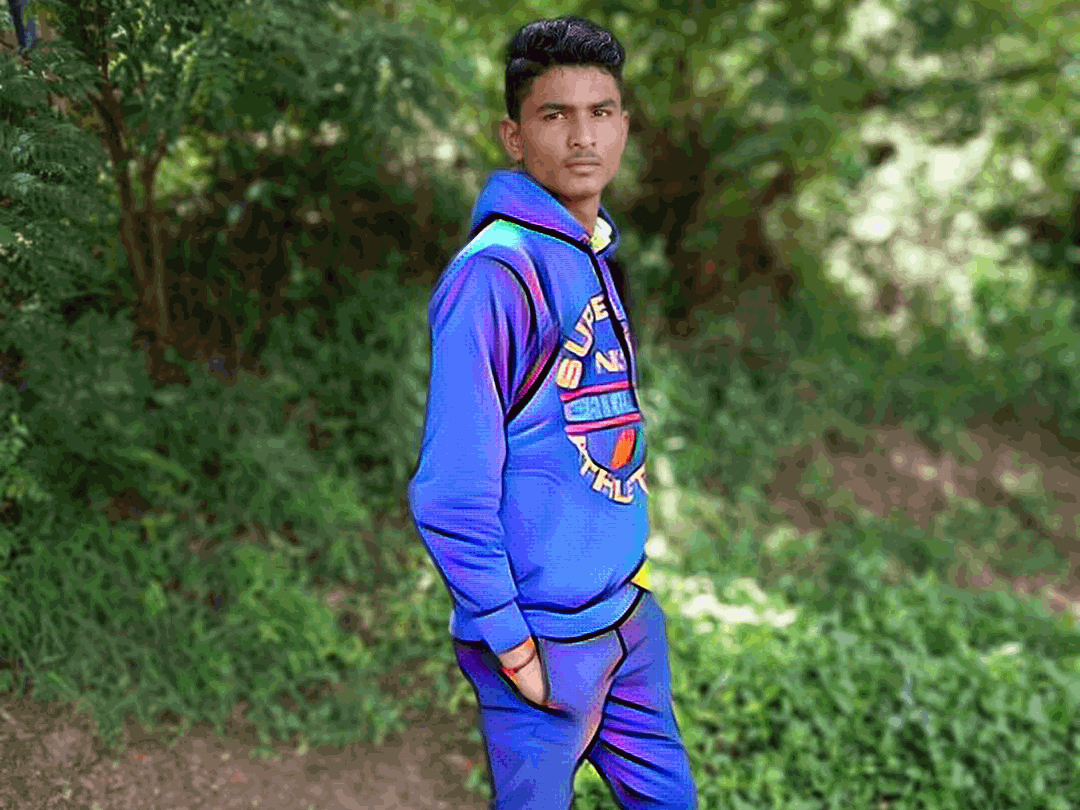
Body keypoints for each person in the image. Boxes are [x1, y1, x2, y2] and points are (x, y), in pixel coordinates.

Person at [407, 15, 697, 810]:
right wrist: (513, 646)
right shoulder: (498, 272)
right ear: (513, 135)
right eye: (554, 114)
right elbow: (450, 490)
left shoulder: (590, 249)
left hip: (626, 620)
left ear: (624, 126)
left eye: (600, 112)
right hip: (543, 640)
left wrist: (631, 591)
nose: (582, 137)